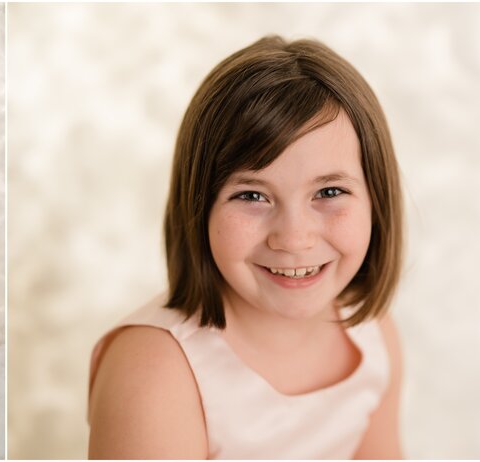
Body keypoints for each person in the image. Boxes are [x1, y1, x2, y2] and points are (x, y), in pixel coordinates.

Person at [88, 36, 406, 459]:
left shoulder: (370, 333)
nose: (294, 238)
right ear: (199, 207)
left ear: (375, 199)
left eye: (329, 191)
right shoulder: (155, 369)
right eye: (252, 196)